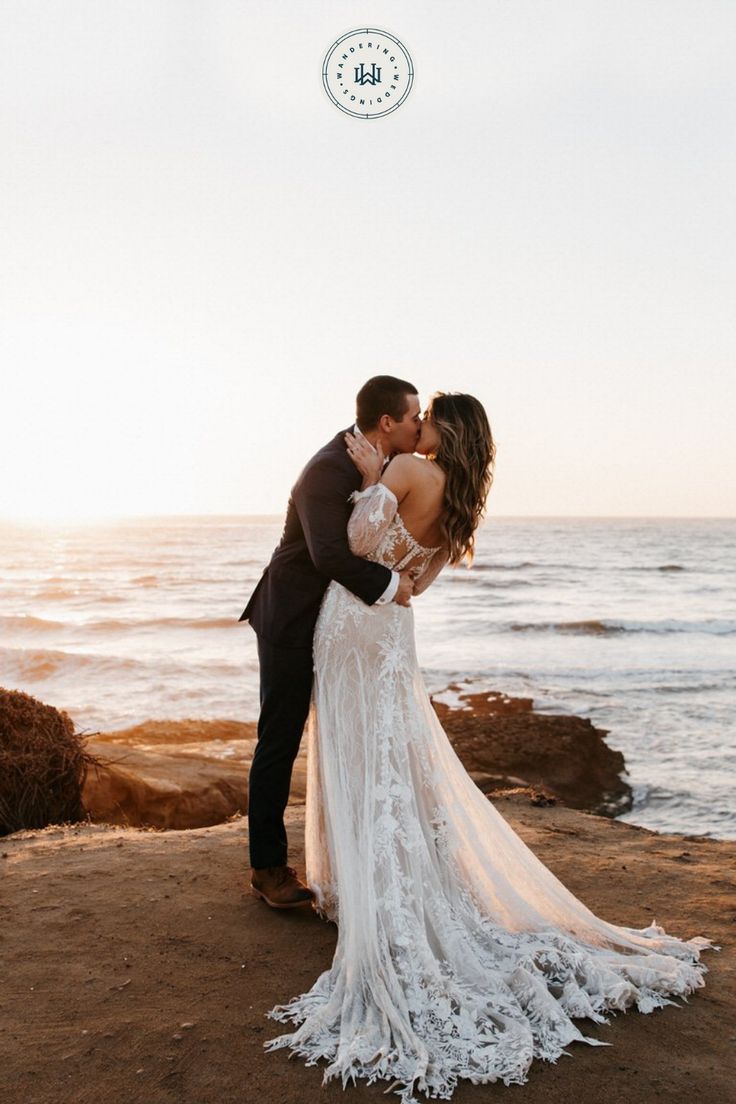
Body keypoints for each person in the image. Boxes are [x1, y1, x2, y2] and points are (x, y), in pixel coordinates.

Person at [261, 392, 716, 1102]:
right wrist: (391, 547)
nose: (421, 424)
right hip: (391, 636)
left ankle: (367, 890)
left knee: (358, 757)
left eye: (430, 415)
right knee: (392, 759)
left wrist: (374, 475)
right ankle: (389, 885)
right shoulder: (462, 504)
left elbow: (350, 546)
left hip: (351, 628)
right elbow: (416, 583)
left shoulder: (407, 467)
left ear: (445, 430)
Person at [238, 376, 422, 908]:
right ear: (387, 422)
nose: (420, 424)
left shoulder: (378, 467)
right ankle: (268, 869)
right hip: (290, 621)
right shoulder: (327, 468)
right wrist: (394, 586)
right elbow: (326, 555)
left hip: (335, 626)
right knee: (280, 739)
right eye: (414, 416)